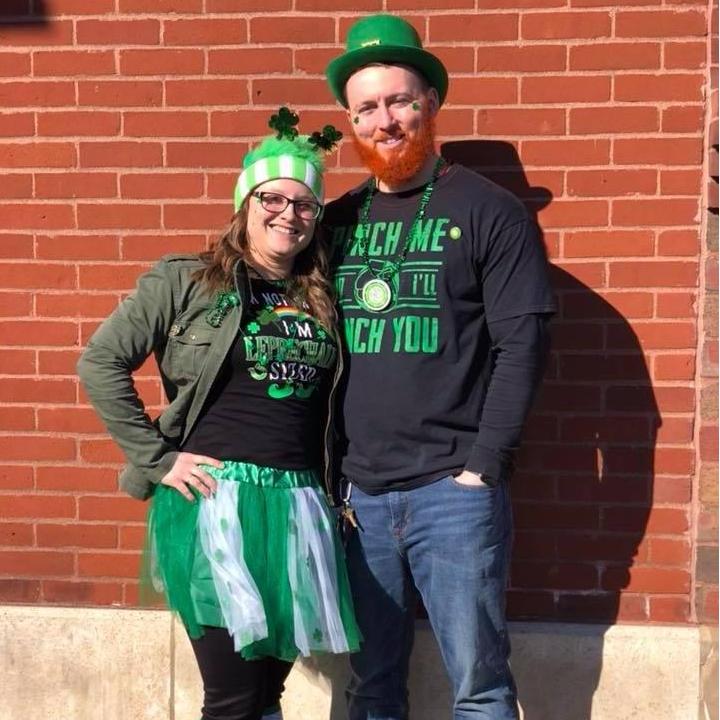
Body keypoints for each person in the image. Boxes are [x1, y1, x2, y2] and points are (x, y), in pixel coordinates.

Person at [77, 108, 360, 720]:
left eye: (304, 203)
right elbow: (100, 362)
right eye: (271, 198)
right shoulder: (186, 281)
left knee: (265, 695)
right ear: (245, 203)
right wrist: (158, 460)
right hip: (217, 504)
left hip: (299, 505)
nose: (288, 214)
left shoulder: (321, 294)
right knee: (231, 698)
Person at [323, 14, 557, 720]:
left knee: (480, 690)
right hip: (358, 498)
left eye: (400, 100)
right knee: (371, 687)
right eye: (367, 108)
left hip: (453, 492)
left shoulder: (489, 211)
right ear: (351, 122)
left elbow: (523, 344)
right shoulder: (335, 221)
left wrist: (483, 468)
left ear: (429, 103)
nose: (385, 120)